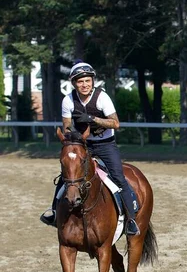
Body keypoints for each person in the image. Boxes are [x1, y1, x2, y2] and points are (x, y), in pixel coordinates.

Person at [40, 61, 141, 236]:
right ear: (74, 83)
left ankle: (131, 219)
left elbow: (115, 123)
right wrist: (74, 137)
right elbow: (66, 128)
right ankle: (55, 212)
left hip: (105, 145)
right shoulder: (68, 100)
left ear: (92, 81)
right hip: (83, 145)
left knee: (118, 176)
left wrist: (93, 119)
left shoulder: (102, 97)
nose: (84, 85)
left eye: (87, 80)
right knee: (67, 177)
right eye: (80, 82)